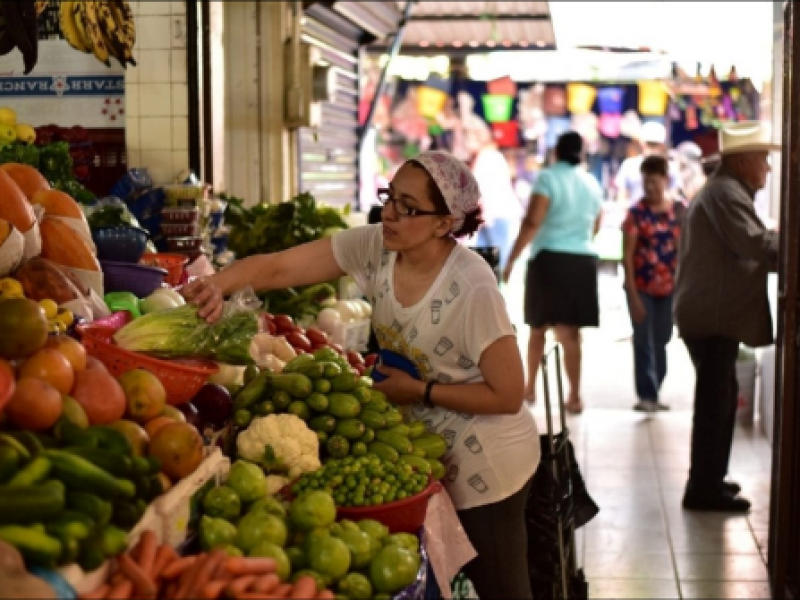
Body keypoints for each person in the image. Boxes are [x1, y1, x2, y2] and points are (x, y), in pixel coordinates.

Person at [183, 150, 541, 598]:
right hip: (432, 448)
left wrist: (420, 390)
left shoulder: (472, 287)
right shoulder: (378, 246)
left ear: (444, 223)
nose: (389, 213)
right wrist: (217, 283)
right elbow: (279, 267)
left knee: (503, 588)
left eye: (408, 207)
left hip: (489, 462)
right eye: (390, 197)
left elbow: (508, 394)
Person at [673, 121, 780, 513]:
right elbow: (755, 243)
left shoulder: (728, 191)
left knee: (719, 400)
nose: (767, 168)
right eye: (763, 160)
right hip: (710, 318)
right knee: (715, 404)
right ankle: (702, 488)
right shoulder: (725, 193)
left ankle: (710, 480)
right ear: (743, 161)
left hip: (712, 316)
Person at [503, 131, 603, 414]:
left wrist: (512, 260)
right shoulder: (592, 183)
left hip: (548, 259)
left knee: (538, 328)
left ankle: (530, 388)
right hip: (582, 261)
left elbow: (533, 220)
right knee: (571, 334)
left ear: (557, 151)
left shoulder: (547, 178)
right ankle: (574, 396)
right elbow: (595, 225)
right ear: (581, 153)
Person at [622, 155, 686, 413]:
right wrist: (633, 295)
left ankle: (655, 389)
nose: (649, 187)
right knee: (642, 340)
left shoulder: (679, 211)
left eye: (654, 181)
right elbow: (626, 256)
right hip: (642, 288)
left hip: (670, 289)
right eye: (645, 181)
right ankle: (646, 395)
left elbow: (684, 252)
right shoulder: (635, 214)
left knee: (662, 339)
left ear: (666, 180)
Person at [468, 124, 523, 271]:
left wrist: (485, 214)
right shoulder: (493, 156)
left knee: (494, 260)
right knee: (489, 260)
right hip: (497, 214)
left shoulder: (485, 158)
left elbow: (482, 189)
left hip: (496, 214)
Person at [614, 121, 682, 205]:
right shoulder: (629, 165)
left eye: (654, 144)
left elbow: (673, 197)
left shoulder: (671, 167)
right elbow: (622, 199)